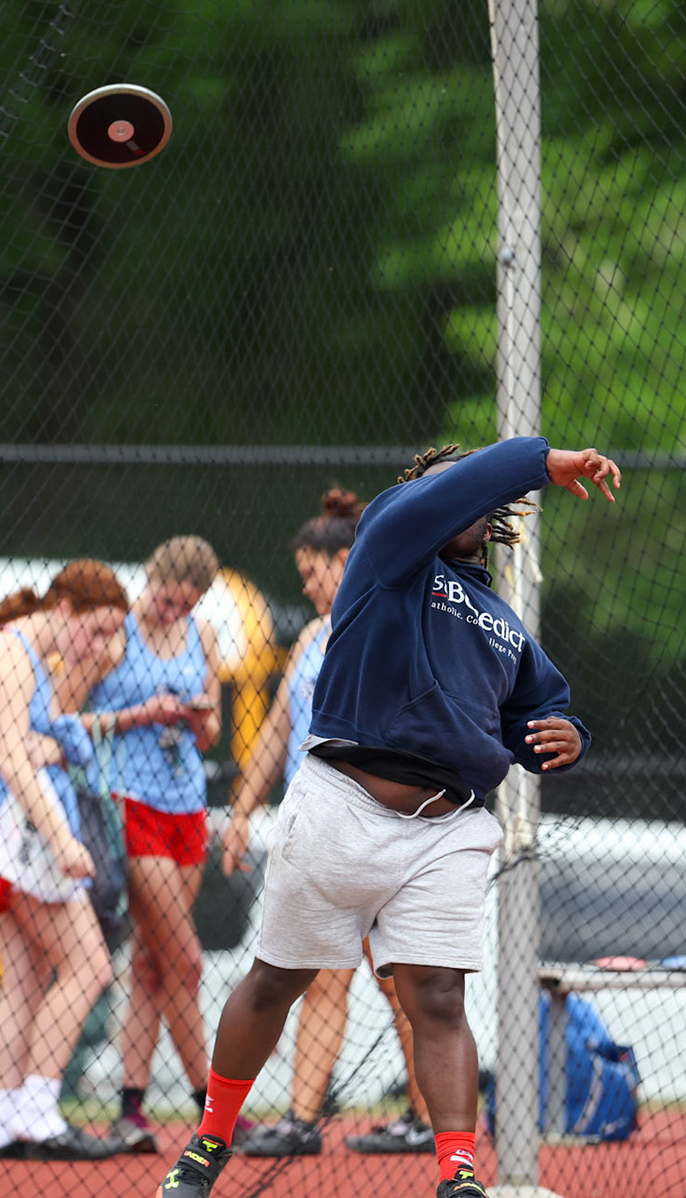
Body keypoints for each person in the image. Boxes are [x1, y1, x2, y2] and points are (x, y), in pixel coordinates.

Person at [158, 438, 618, 1198]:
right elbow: (449, 491)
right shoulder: (390, 550)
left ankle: (458, 1176)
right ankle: (208, 1145)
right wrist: (541, 460)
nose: (460, 493)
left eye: (473, 487)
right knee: (279, 980)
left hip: (448, 827)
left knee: (438, 997)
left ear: (492, 513)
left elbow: (537, 709)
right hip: (343, 803)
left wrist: (565, 736)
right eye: (446, 483)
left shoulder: (501, 622)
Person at [222, 490, 434, 1159]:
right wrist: (241, 812)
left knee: (400, 978)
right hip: (314, 830)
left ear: (346, 561)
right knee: (320, 976)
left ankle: (427, 1118)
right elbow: (277, 732)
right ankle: (302, 1119)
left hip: (374, 827)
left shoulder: (382, 626)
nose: (308, 584)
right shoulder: (313, 637)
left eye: (315, 572)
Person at [0, 559, 130, 1161]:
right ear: (64, 610)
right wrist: (62, 838)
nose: (102, 647)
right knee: (88, 967)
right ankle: (38, 1112)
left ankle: (8, 1120)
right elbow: (13, 760)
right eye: (97, 630)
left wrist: (54, 744)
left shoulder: (28, 660)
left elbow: (39, 744)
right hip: (7, 828)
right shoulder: (11, 655)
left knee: (26, 973)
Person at [82, 536, 255, 1154]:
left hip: (186, 804)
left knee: (153, 965)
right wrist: (137, 715)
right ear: (149, 578)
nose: (171, 612)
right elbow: (66, 719)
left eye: (185, 604)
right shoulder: (114, 634)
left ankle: (131, 1109)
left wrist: (198, 716)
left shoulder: (201, 636)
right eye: (165, 599)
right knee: (184, 959)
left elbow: (209, 735)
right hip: (129, 802)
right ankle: (215, 1111)